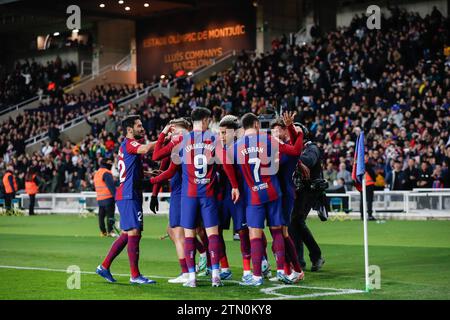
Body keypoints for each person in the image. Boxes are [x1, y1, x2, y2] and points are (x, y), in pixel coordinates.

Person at [150, 107, 240, 288]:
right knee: (212, 234)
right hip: (208, 194)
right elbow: (226, 163)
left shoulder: (182, 141)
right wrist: (235, 186)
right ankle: (216, 275)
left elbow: (161, 160)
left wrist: (153, 179)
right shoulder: (213, 139)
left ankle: (191, 277)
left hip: (189, 196)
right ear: (206, 120)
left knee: (189, 236)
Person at [232, 113, 303, 286]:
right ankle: (281, 271)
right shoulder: (268, 139)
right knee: (278, 231)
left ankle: (256, 276)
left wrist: (235, 186)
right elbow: (294, 151)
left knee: (255, 235)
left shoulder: (235, 147)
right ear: (257, 124)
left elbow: (227, 168)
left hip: (253, 194)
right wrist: (299, 134)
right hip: (273, 191)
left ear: (243, 127)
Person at [96, 115, 157, 285]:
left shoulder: (125, 146)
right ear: (130, 130)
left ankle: (104, 266)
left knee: (126, 234)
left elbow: (129, 169)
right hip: (129, 195)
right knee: (134, 233)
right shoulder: (130, 144)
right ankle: (135, 275)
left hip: (128, 194)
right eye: (139, 125)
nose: (142, 128)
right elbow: (145, 149)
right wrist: (165, 136)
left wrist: (145, 174)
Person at [270, 114, 305, 283]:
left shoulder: (287, 148)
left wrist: (296, 131)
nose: (275, 132)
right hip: (278, 194)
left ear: (285, 131)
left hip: (284, 195)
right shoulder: (279, 148)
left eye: (279, 129)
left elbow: (296, 150)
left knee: (281, 233)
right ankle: (290, 269)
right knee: (278, 234)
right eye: (273, 130)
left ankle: (291, 270)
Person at [289, 124, 326, 272]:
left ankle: (300, 260)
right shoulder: (296, 148)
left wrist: (292, 153)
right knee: (297, 223)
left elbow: (308, 161)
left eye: (297, 133)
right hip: (299, 191)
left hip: (309, 191)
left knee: (294, 221)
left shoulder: (312, 148)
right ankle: (312, 257)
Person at [94, 158, 117, 237]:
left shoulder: (97, 173)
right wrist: (116, 197)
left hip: (100, 199)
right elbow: (111, 187)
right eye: (110, 162)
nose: (111, 164)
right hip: (108, 198)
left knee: (101, 216)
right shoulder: (106, 173)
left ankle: (103, 232)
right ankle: (110, 231)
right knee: (110, 216)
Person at [360, 155, 377, 221]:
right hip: (368, 184)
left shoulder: (360, 166)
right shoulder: (368, 165)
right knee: (368, 201)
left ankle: (363, 216)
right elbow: (373, 174)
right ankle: (369, 215)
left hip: (364, 185)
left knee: (364, 201)